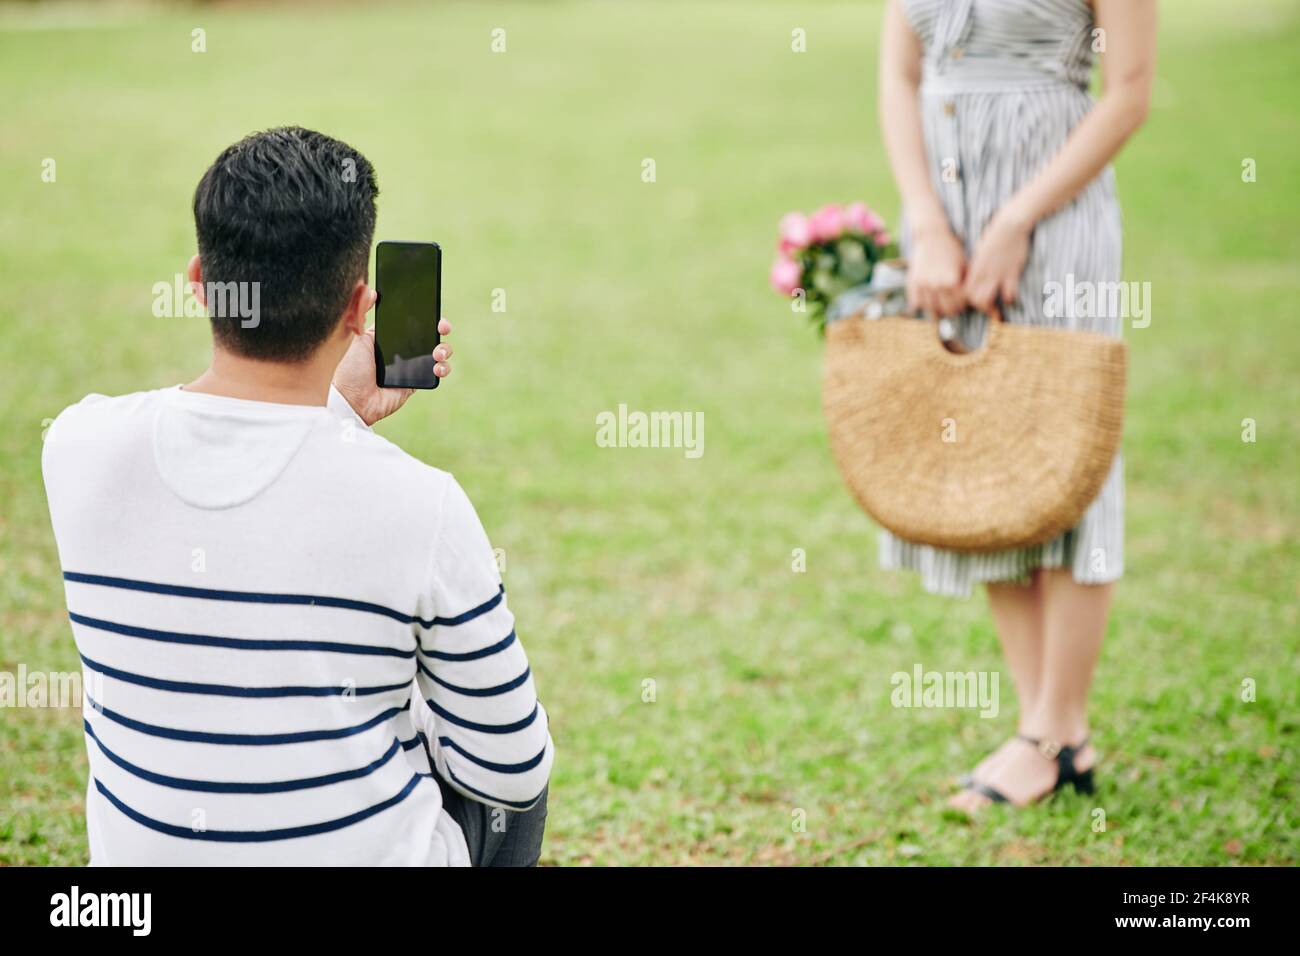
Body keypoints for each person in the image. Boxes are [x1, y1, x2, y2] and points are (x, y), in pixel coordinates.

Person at [42, 127, 553, 864]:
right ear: (358, 307)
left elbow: (253, 502)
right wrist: (333, 427)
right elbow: (512, 769)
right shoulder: (421, 504)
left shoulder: (75, 448)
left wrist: (332, 416)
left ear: (197, 280)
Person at [876, 0, 1156, 808]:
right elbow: (901, 75)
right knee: (990, 450)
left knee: (1070, 446)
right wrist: (926, 221)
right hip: (946, 214)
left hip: (1052, 214)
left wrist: (1017, 219)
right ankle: (1049, 734)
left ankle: (1053, 728)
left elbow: (1129, 91)